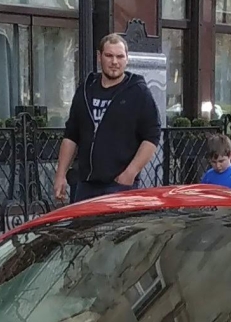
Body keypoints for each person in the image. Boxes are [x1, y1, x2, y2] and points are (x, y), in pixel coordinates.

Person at [53, 33, 162, 204]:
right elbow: (71, 135)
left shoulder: (138, 92)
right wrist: (60, 175)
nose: (114, 62)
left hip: (120, 185)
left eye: (120, 56)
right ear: (99, 57)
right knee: (84, 230)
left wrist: (130, 173)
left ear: (127, 59)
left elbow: (152, 136)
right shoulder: (85, 90)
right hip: (85, 184)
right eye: (109, 55)